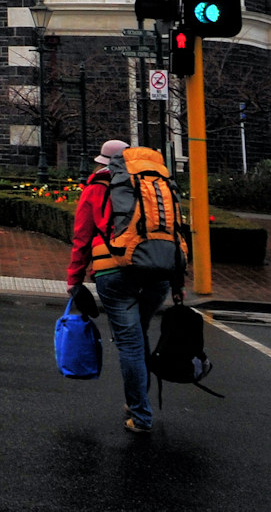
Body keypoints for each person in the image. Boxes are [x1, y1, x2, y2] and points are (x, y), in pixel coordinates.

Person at [67, 139, 184, 435]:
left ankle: (141, 414)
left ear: (103, 162)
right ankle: (136, 403)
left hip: (114, 272)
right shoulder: (154, 185)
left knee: (129, 342)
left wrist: (74, 279)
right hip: (157, 270)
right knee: (138, 335)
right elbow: (175, 232)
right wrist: (177, 282)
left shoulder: (96, 187)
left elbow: (82, 238)